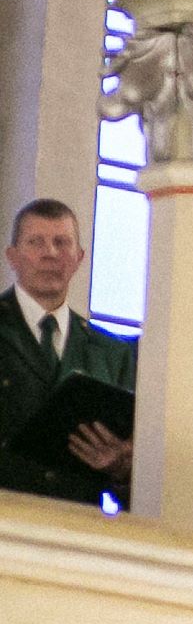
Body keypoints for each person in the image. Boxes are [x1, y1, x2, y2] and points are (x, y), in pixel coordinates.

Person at [0, 199, 135, 503]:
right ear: (13, 256)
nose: (50, 253)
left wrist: (121, 467)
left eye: (62, 243)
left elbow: (133, 481)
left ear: (79, 257)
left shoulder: (112, 353)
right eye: (36, 242)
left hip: (77, 524)